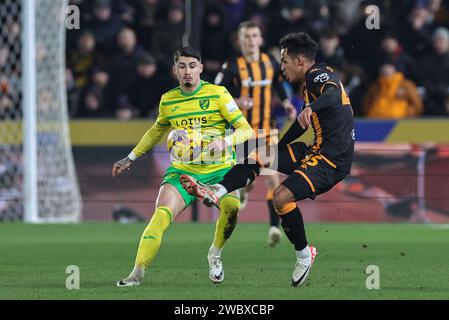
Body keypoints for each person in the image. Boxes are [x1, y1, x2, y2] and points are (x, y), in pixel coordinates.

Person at [180, 32, 355, 287]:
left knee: (281, 197)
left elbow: (332, 96)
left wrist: (310, 108)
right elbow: (300, 123)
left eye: (284, 62)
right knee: (259, 154)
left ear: (300, 61)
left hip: (330, 160)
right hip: (315, 149)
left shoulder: (318, 75)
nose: (281, 67)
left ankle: (304, 255)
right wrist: (279, 148)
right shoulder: (312, 79)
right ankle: (217, 190)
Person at [112, 47, 253, 287]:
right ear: (174, 70)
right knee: (161, 215)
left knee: (232, 208)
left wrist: (226, 140)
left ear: (200, 68)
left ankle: (215, 253)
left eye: (191, 66)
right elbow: (156, 130)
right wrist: (131, 157)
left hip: (220, 170)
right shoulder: (168, 100)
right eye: (181, 66)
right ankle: (136, 273)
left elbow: (245, 129)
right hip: (183, 171)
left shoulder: (219, 94)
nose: (187, 71)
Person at [214, 21, 297, 247]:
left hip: (266, 129)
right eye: (247, 36)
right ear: (240, 41)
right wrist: (237, 100)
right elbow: (216, 91)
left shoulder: (270, 62)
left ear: (260, 39)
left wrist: (287, 103)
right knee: (248, 178)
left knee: (272, 178)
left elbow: (279, 84)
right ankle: (247, 191)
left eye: (254, 35)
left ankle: (273, 227)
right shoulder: (232, 65)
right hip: (242, 131)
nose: (251, 40)